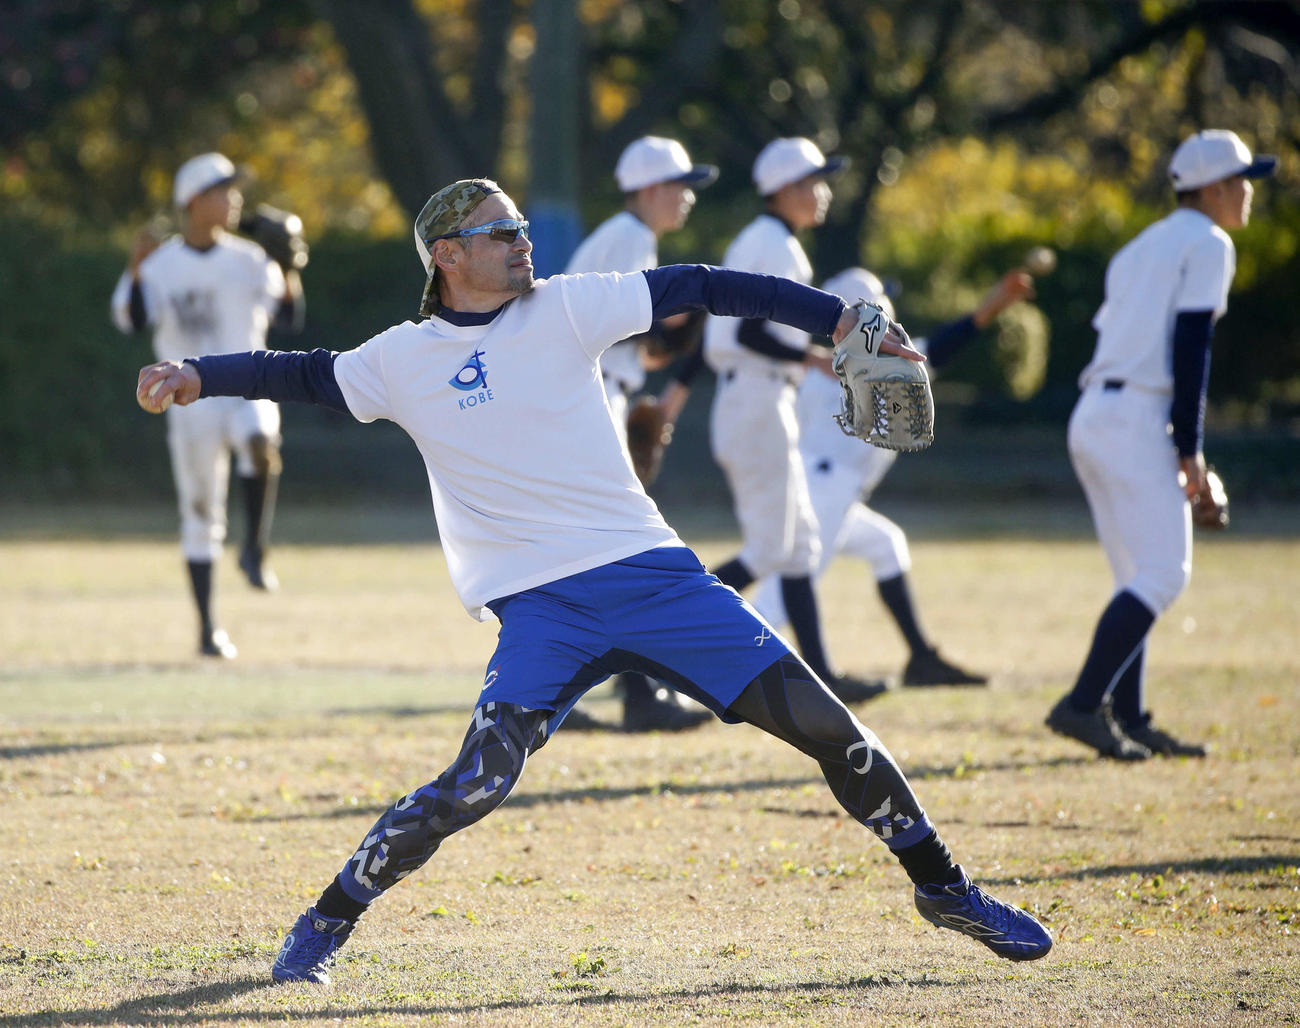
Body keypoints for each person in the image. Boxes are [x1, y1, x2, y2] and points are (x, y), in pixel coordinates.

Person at [134, 177, 1052, 985]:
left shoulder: (568, 305)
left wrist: (836, 316)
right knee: (474, 785)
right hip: (543, 608)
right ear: (449, 255)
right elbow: (297, 371)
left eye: (526, 227)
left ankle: (949, 892)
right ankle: (325, 923)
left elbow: (702, 285)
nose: (526, 243)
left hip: (654, 578)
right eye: (505, 233)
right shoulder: (400, 360)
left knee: (833, 730)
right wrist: (194, 374)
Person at [1046, 129, 1275, 760]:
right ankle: (1083, 705)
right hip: (1137, 415)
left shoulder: (1136, 249)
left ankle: (1130, 716)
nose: (1250, 190)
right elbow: (1191, 344)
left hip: (1093, 413)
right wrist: (1190, 449)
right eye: (1244, 178)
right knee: (1164, 574)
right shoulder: (1209, 241)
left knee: (1134, 576)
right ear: (1216, 186)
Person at [751, 266, 1036, 686]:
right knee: (784, 590)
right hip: (825, 489)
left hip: (824, 485)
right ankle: (731, 669)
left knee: (886, 545)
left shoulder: (827, 360)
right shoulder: (870, 355)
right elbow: (941, 348)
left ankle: (921, 658)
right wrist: (996, 302)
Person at [703, 138, 884, 704]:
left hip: (756, 398)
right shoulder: (776, 245)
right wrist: (814, 359)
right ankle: (645, 652)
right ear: (783, 189)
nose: (822, 192)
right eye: (813, 182)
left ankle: (822, 679)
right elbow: (749, 332)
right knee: (767, 549)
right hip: (755, 399)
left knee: (800, 545)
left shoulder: (762, 240)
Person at [111, 152, 305, 659]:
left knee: (261, 443)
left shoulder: (248, 257)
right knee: (200, 516)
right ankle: (207, 630)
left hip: (247, 387)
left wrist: (287, 265)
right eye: (223, 190)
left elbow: (289, 318)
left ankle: (254, 549)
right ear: (193, 202)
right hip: (188, 403)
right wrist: (135, 271)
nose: (234, 198)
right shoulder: (161, 263)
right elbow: (130, 320)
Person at [562, 135, 718, 732]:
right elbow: (606, 325)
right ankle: (636, 695)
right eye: (681, 187)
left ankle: (593, 694)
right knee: (621, 544)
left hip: (592, 394)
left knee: (597, 549)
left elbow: (605, 329)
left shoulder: (620, 236)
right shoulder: (630, 237)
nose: (687, 200)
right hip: (592, 398)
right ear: (651, 189)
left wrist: (645, 364)